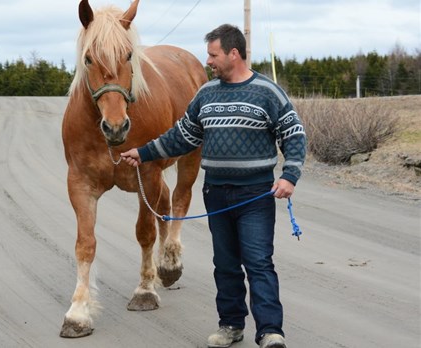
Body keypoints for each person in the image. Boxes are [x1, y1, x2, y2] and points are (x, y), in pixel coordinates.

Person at [121, 24, 306, 348]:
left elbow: (294, 134)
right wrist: (144, 152)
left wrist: (289, 176)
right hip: (217, 193)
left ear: (234, 54)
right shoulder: (206, 94)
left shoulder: (267, 92)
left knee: (259, 263)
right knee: (225, 265)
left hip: (255, 195)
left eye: (213, 54)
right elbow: (182, 136)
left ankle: (270, 332)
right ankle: (231, 326)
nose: (208, 61)